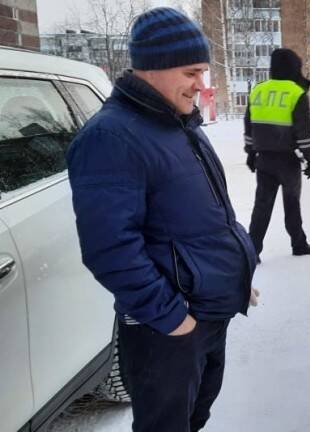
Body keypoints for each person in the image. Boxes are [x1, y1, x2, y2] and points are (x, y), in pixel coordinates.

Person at [66, 8, 258, 432]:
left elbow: (210, 218)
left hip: (206, 312)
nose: (200, 85)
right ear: (154, 65)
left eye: (203, 72)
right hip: (167, 327)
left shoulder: (178, 125)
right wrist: (173, 319)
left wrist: (234, 273)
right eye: (192, 72)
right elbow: (110, 248)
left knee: (194, 417)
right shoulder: (111, 137)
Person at [245, 48, 310, 258]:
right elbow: (303, 132)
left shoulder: (258, 90)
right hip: (288, 161)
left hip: (263, 160)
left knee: (261, 206)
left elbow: (249, 125)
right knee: (292, 204)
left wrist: (250, 153)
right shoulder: (296, 93)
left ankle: (252, 250)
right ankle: (299, 244)